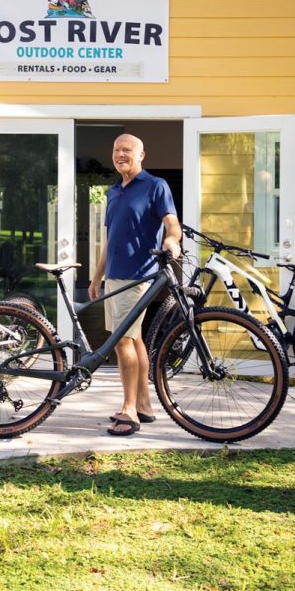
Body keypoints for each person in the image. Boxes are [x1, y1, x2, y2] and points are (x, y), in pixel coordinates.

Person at [88, 134, 181, 436]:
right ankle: (143, 404)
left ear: (142, 155)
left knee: (123, 341)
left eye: (127, 150)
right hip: (115, 276)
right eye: (116, 150)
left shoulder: (155, 186)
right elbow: (108, 241)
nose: (120, 154)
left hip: (137, 275)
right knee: (134, 339)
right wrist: (96, 278)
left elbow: (172, 223)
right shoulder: (113, 192)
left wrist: (171, 241)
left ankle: (129, 412)